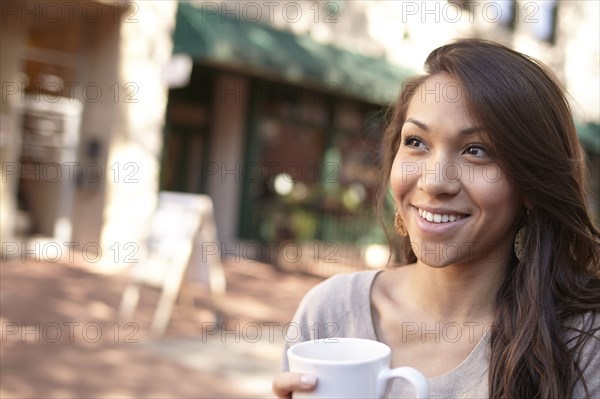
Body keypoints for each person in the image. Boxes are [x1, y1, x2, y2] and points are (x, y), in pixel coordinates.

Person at [272, 39, 600, 398]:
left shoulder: (581, 341)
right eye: (416, 142)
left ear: (530, 185)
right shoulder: (329, 312)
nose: (433, 182)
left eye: (477, 150)